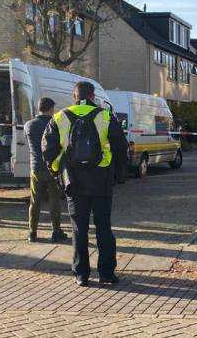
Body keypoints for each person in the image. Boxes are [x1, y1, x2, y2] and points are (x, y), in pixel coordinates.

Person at [42, 82, 128, 287]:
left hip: (74, 181)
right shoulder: (105, 116)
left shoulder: (59, 117)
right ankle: (106, 273)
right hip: (102, 180)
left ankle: (81, 274)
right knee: (104, 227)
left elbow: (47, 150)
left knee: (79, 229)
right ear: (92, 96)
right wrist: (117, 174)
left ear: (74, 95)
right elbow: (121, 147)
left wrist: (58, 173)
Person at [24, 97, 68, 243]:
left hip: (35, 168)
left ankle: (32, 232)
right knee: (54, 201)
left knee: (35, 201)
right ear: (51, 109)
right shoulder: (55, 124)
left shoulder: (29, 125)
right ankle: (56, 232)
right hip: (53, 167)